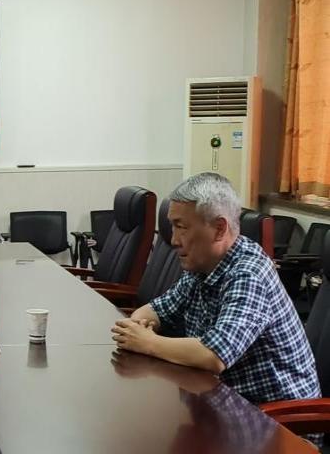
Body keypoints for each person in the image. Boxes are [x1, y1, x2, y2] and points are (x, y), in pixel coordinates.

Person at [111, 172, 320, 404]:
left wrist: (148, 342)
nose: (174, 240)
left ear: (219, 229)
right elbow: (157, 310)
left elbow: (215, 355)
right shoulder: (203, 265)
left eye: (181, 227)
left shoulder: (249, 273)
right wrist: (139, 327)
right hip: (221, 398)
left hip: (276, 417)